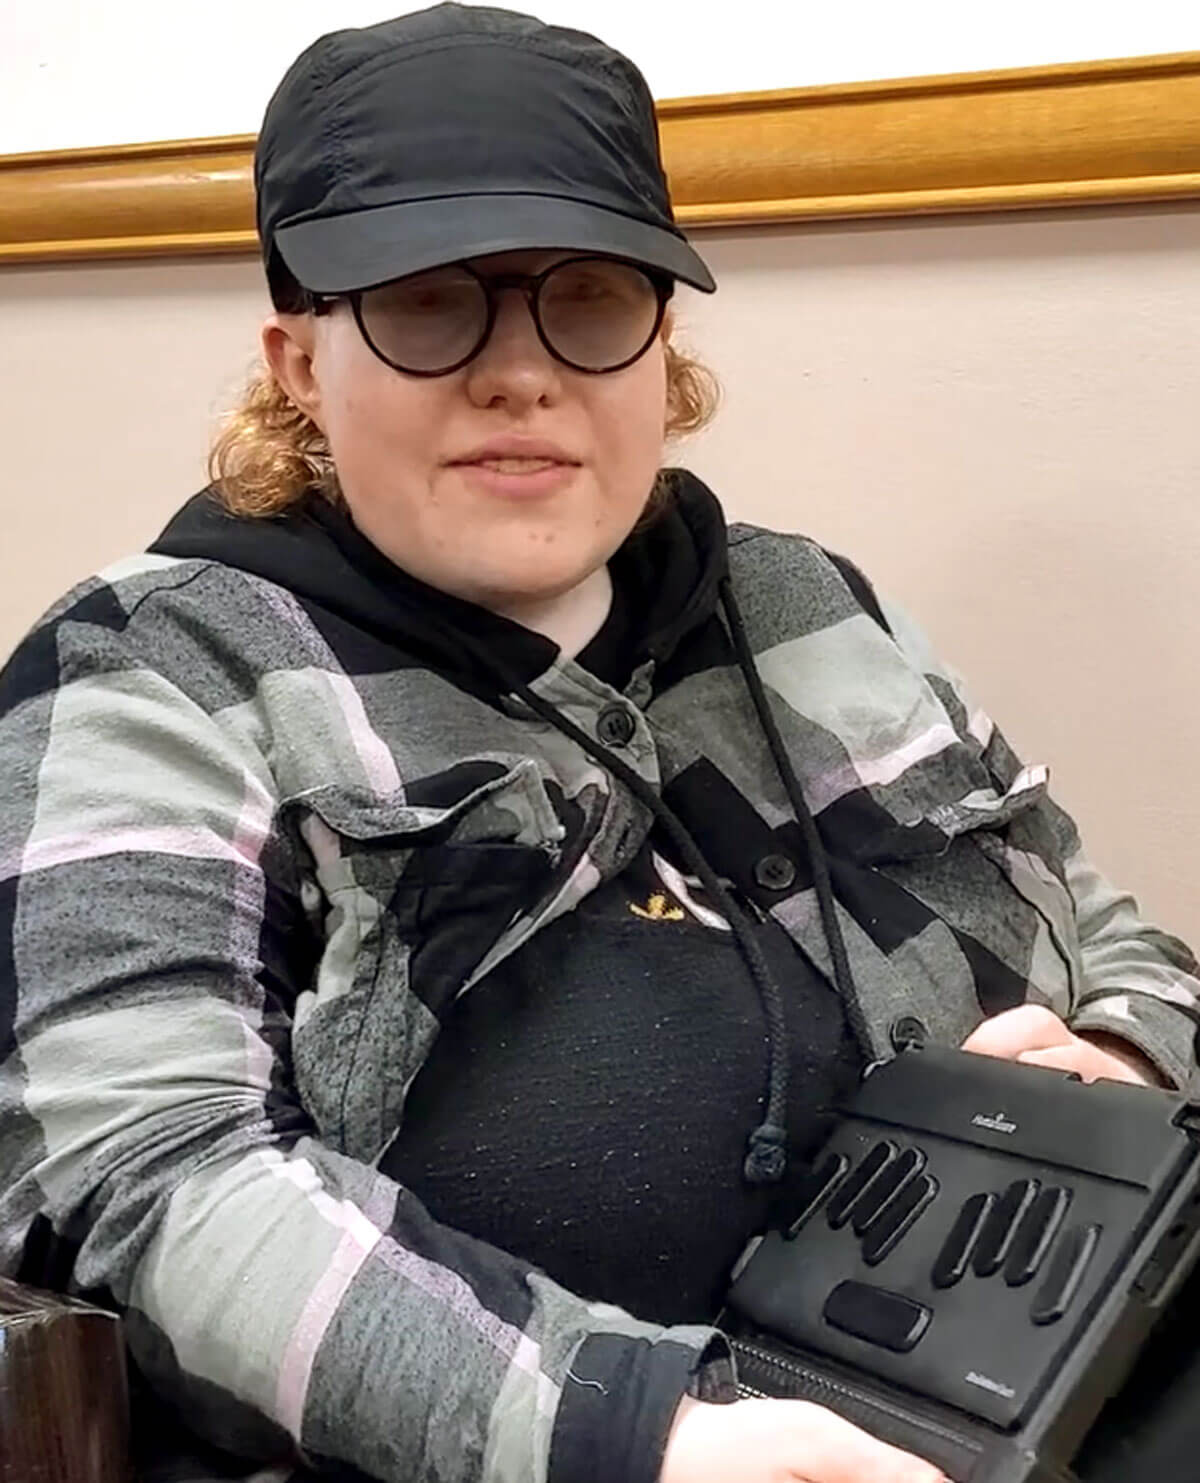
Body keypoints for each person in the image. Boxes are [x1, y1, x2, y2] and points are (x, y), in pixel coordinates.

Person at [1, 6, 1197, 1482]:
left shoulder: (810, 610)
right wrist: (646, 1438)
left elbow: (1111, 938)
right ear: (298, 361)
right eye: (427, 304)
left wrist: (1123, 1055)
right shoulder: (156, 674)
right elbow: (150, 1180)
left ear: (661, 345)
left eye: (589, 298)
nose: (523, 373)